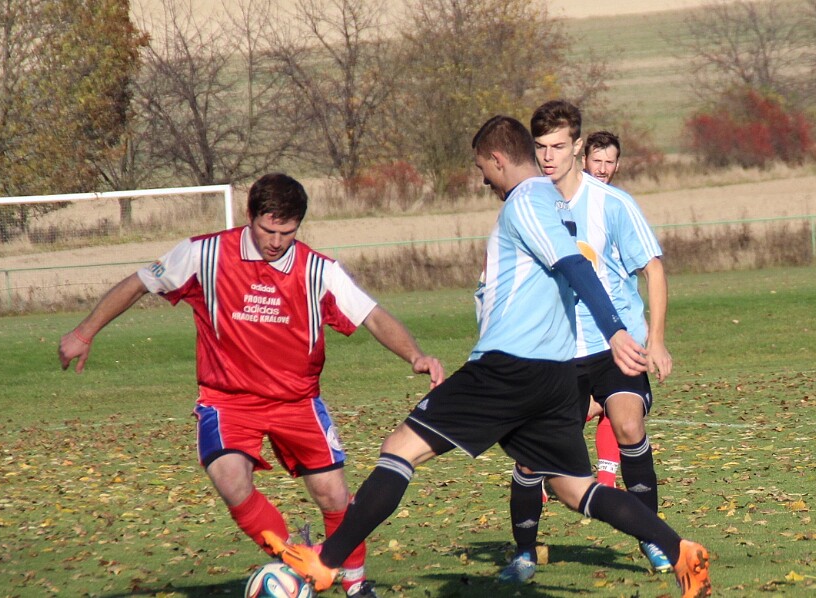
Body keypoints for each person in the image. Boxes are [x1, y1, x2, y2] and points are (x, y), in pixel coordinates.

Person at [261, 116, 711, 598]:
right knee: (572, 488)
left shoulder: (527, 201)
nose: (482, 178)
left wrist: (615, 330)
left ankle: (325, 564)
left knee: (399, 450)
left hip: (508, 369)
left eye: (482, 167)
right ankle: (682, 552)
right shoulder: (552, 200)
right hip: (554, 376)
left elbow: (575, 265)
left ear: (498, 159)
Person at [58, 173, 445, 598]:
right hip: (228, 400)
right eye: (268, 230)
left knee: (334, 495)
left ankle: (355, 586)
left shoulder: (318, 270)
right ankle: (294, 563)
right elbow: (138, 283)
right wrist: (84, 331)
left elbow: (372, 314)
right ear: (250, 216)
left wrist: (415, 355)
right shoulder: (203, 253)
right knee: (229, 478)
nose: (277, 241)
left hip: (297, 401)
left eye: (287, 232)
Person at [500, 100, 675, 584]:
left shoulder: (611, 204)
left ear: (578, 145)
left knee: (627, 424)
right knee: (533, 457)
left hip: (614, 343)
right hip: (554, 352)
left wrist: (655, 340)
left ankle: (655, 539)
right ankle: (523, 555)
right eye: (540, 147)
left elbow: (653, 268)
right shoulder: (526, 204)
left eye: (558, 146)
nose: (549, 156)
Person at [581, 129, 624, 489]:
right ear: (584, 160)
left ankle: (607, 480)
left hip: (616, 320)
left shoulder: (617, 203)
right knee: (585, 402)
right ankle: (534, 467)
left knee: (615, 402)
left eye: (610, 161)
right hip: (581, 321)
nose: (603, 167)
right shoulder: (570, 202)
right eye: (598, 159)